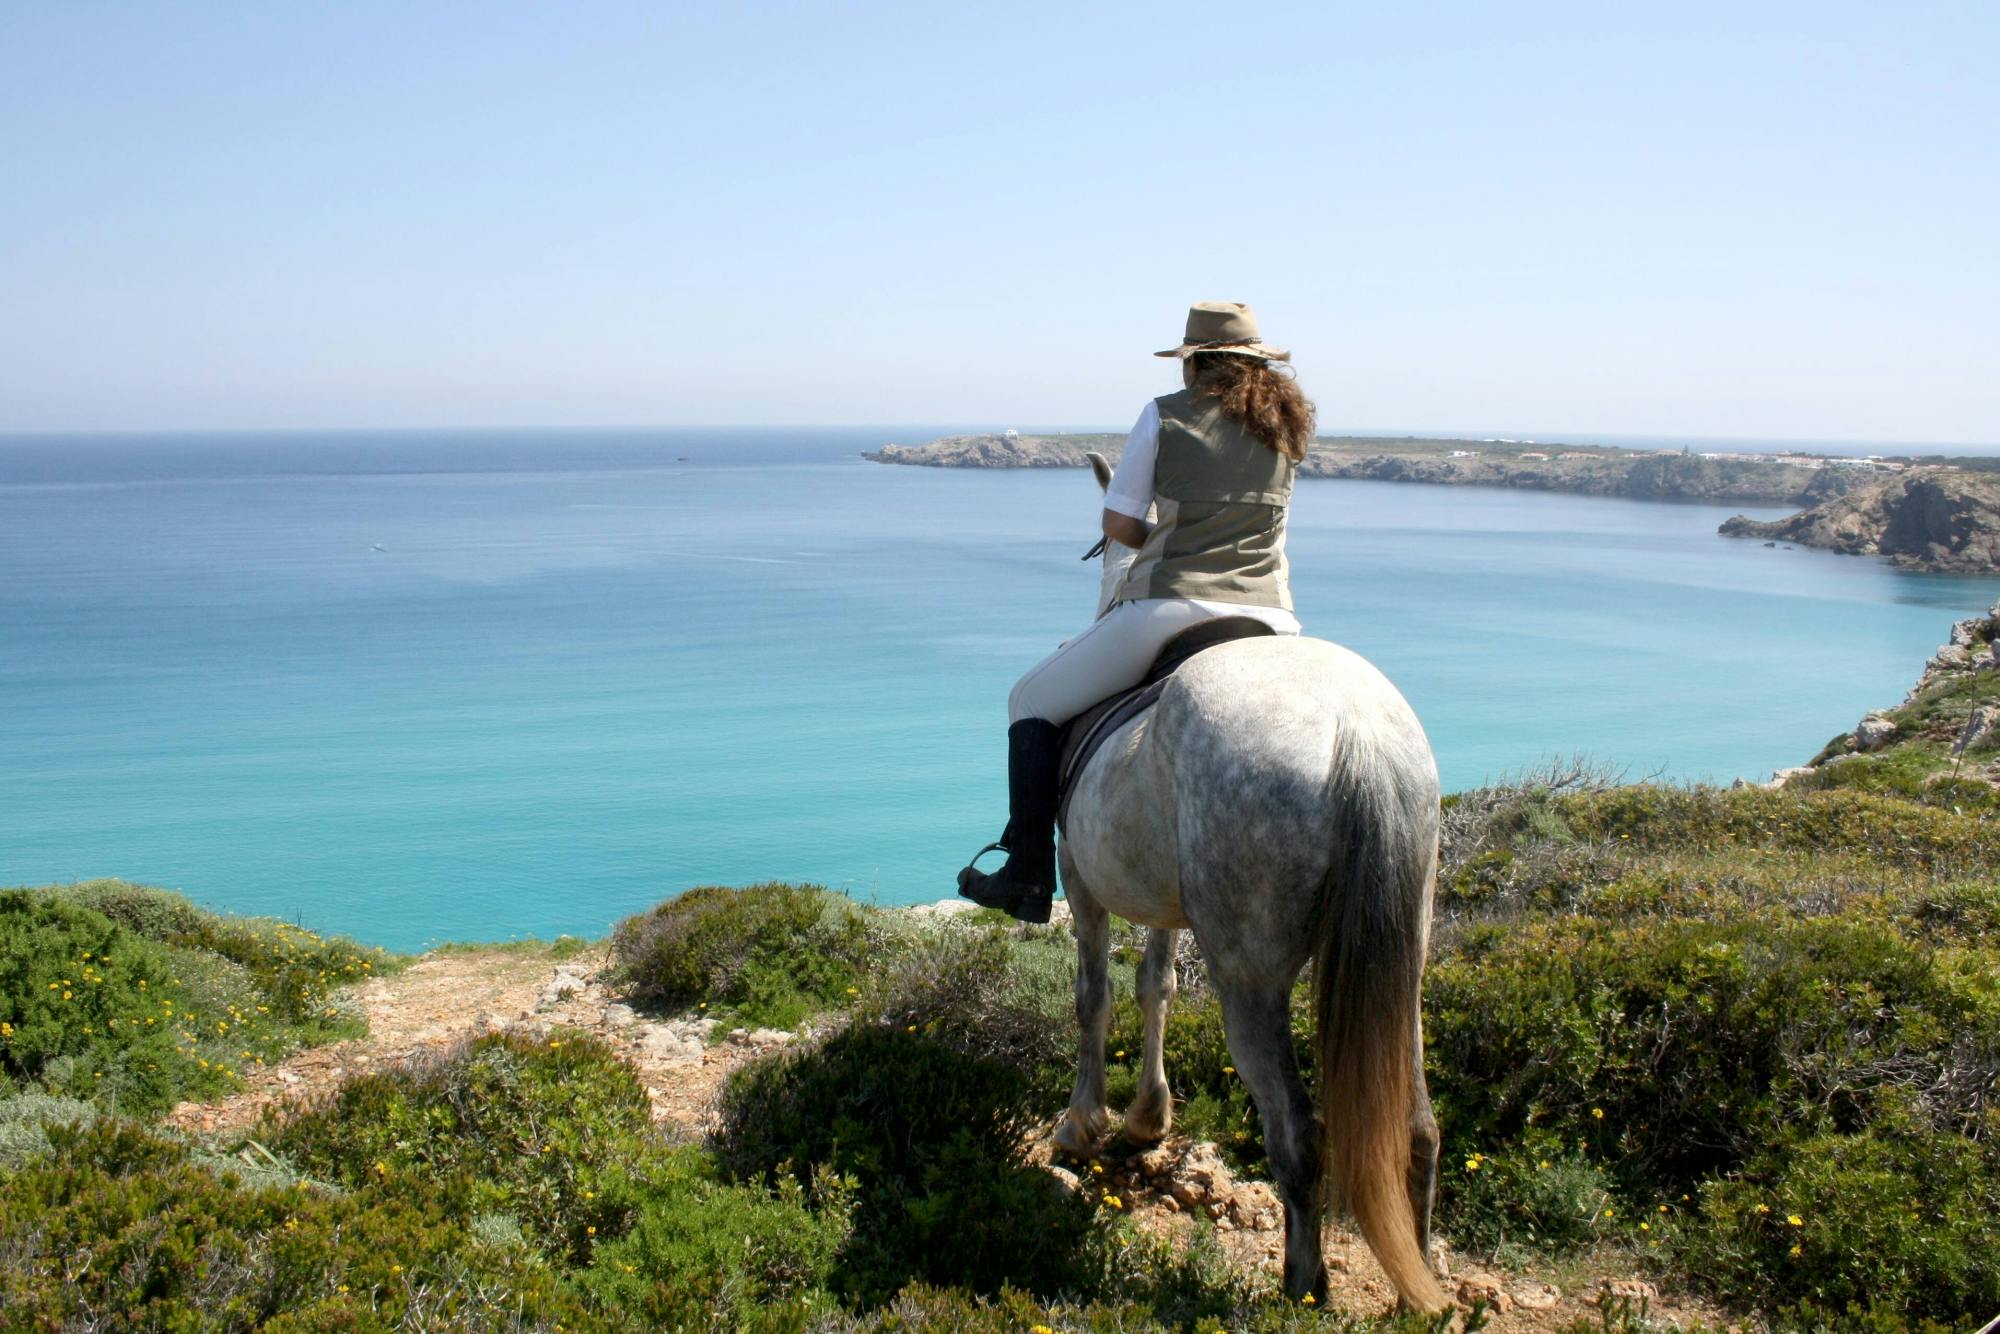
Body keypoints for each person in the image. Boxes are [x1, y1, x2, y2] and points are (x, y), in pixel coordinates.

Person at [958, 300, 1315, 923]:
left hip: (1174, 607)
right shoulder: (1285, 426)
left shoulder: (1165, 414)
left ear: (1193, 362)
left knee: (1029, 701)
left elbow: (1119, 523)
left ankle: (1028, 873)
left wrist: (1169, 537)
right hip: (1274, 618)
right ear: (1257, 364)